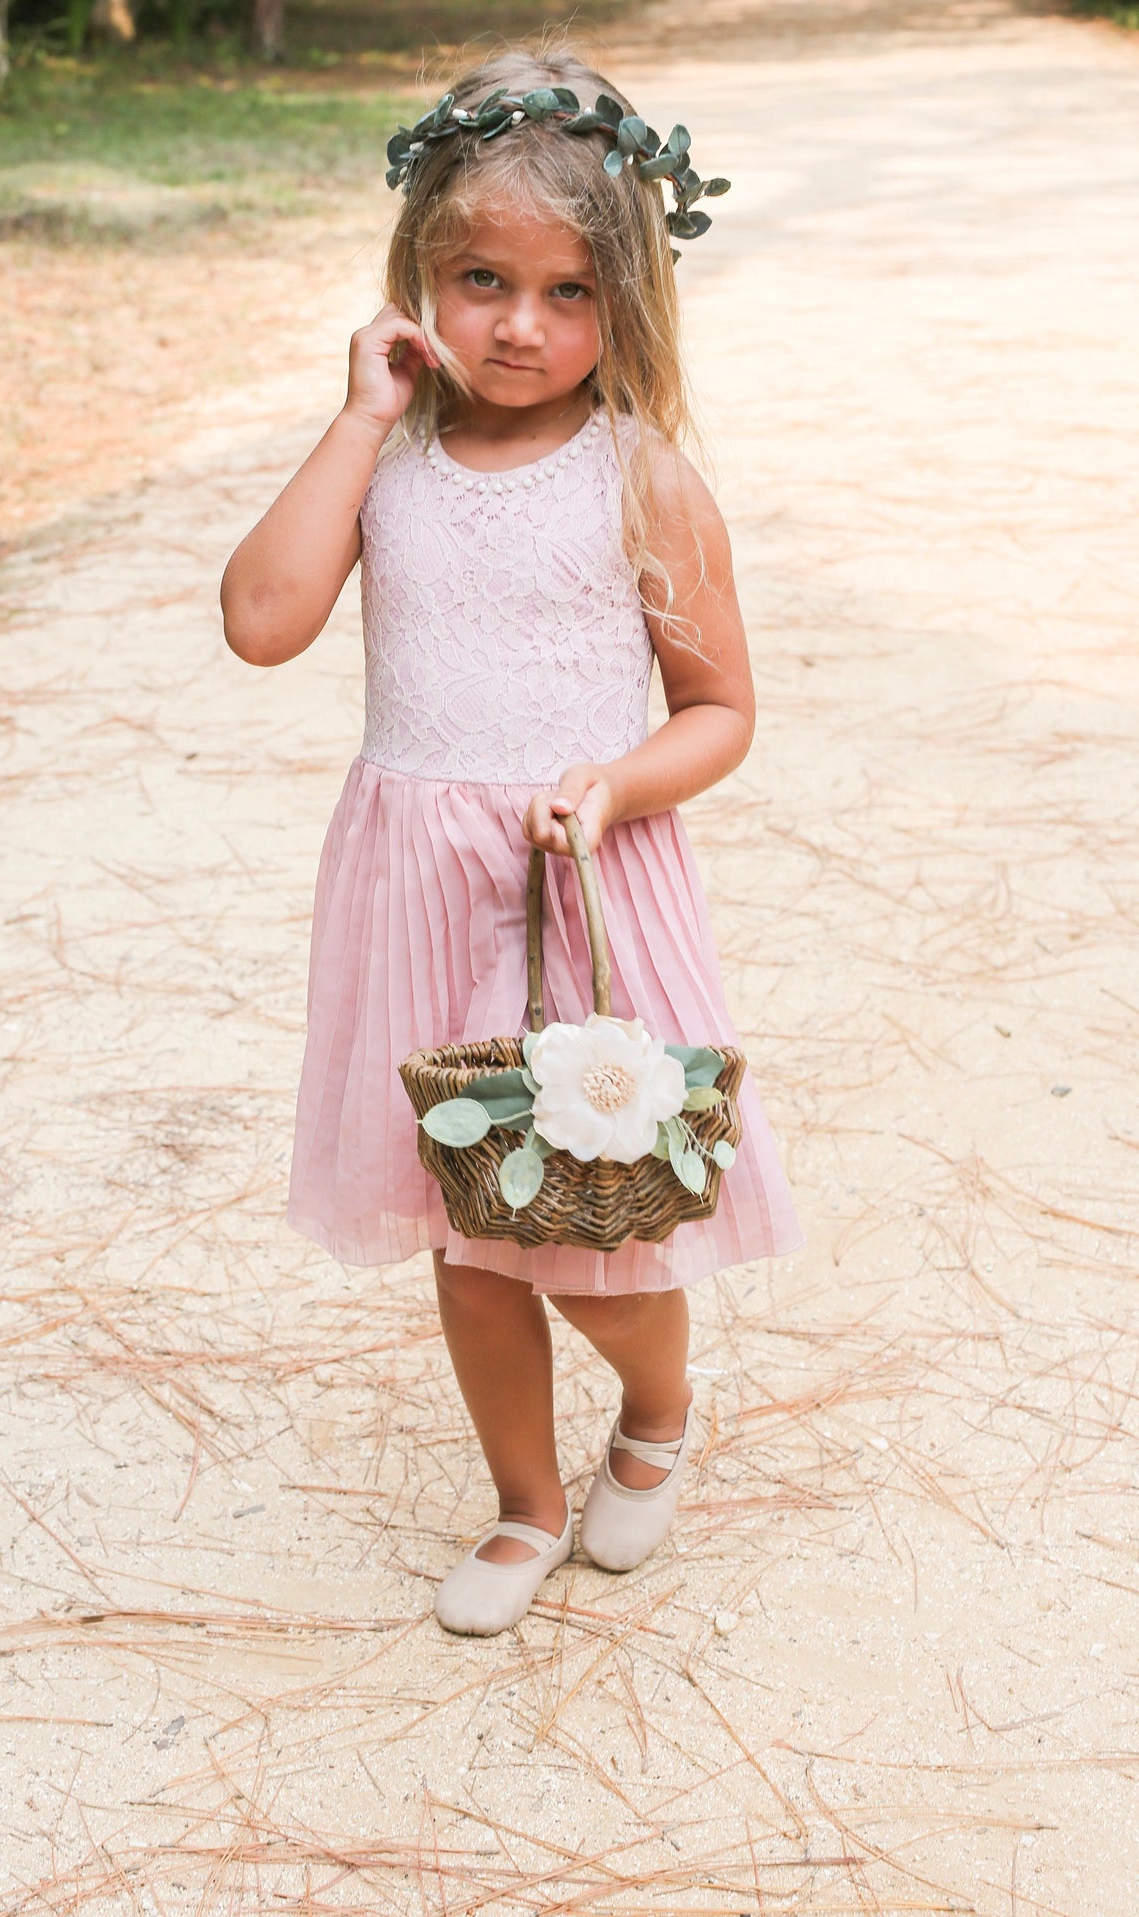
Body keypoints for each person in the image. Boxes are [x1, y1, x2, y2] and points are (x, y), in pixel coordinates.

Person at [221, 50, 803, 1636]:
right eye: (480, 280)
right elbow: (261, 623)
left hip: (578, 890)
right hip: (418, 891)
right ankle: (521, 1504)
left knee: (601, 1228)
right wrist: (353, 419)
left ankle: (658, 1414)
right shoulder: (389, 469)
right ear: (417, 273)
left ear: (627, 307)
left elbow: (720, 710)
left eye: (565, 292)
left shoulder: (642, 480)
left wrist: (614, 782)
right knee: (469, 1232)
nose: (519, 327)